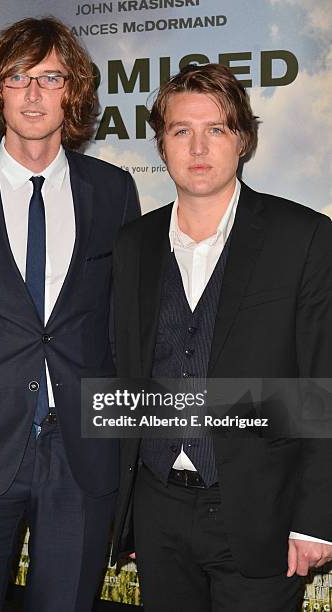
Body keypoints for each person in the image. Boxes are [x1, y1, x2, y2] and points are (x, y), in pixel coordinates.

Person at [0, 16, 139, 612]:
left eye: (50, 77)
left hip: (82, 459)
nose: (33, 93)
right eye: (17, 77)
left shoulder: (113, 191)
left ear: (74, 91)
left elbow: (118, 323)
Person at [111, 63, 332, 611]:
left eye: (217, 129)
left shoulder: (302, 237)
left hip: (265, 514)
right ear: (162, 144)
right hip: (158, 509)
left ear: (244, 139)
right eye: (181, 130)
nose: (198, 146)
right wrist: (129, 516)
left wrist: (316, 520)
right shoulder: (133, 244)